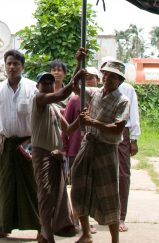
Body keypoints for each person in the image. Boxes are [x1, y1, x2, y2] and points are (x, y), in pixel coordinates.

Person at [70, 54, 129, 243]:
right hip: (89, 145)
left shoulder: (122, 100)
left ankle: (115, 240)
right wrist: (79, 62)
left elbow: (118, 127)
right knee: (78, 186)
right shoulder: (95, 92)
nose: (107, 79)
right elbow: (74, 87)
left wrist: (93, 122)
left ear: (119, 81)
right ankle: (86, 233)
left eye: (112, 76)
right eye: (105, 75)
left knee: (109, 194)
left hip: (106, 149)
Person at [0, 49, 39, 239]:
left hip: (28, 145)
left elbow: (42, 117)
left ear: (22, 66)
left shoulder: (33, 88)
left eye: (16, 63)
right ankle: (3, 226)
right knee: (5, 186)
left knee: (32, 185)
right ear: (4, 66)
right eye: (9, 63)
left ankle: (42, 227)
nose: (12, 67)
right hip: (5, 145)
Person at [31, 68, 85, 243]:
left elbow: (68, 129)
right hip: (43, 155)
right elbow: (62, 95)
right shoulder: (38, 99)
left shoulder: (53, 108)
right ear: (38, 86)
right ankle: (49, 236)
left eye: (50, 83)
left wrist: (81, 119)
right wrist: (75, 80)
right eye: (44, 83)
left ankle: (43, 234)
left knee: (52, 198)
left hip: (56, 156)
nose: (47, 86)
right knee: (45, 195)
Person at [62, 66, 99, 182]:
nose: (88, 80)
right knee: (77, 184)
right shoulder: (74, 99)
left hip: (96, 147)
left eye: (91, 78)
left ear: (98, 80)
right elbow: (65, 124)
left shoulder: (103, 99)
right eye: (85, 78)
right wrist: (64, 147)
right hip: (76, 147)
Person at [115, 76, 141, 232]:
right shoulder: (99, 90)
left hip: (123, 132)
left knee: (123, 174)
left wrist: (134, 138)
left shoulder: (127, 89)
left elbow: (134, 113)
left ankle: (120, 216)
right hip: (102, 130)